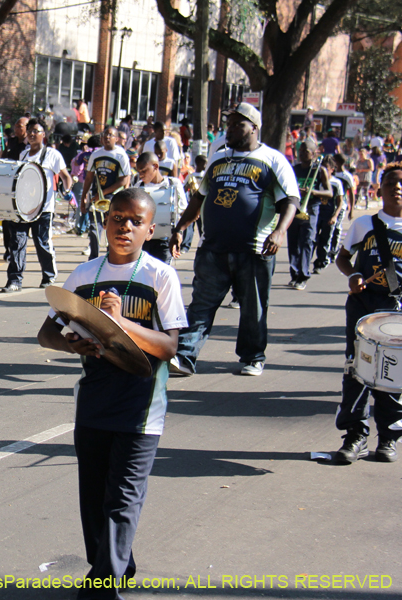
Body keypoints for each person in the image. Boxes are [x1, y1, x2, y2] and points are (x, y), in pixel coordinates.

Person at [37, 188, 186, 599]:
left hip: (142, 407)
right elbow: (46, 332)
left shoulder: (160, 276)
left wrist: (122, 324)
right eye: (117, 218)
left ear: (149, 229)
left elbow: (171, 346)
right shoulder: (85, 275)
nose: (125, 227)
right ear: (105, 223)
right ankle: (114, 564)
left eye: (135, 221)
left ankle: (103, 586)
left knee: (122, 500)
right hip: (94, 401)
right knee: (94, 501)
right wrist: (71, 343)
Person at [167, 102, 300, 378]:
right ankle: (185, 356)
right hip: (213, 248)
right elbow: (199, 198)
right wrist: (180, 227)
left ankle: (253, 357)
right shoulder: (218, 159)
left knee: (253, 307)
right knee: (201, 305)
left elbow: (290, 200)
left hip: (254, 249)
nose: (229, 129)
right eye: (228, 124)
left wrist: (279, 232)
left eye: (237, 124)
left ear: (254, 127)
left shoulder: (273, 159)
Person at [333, 163, 402, 464]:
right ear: (379, 188)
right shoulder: (364, 224)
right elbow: (343, 258)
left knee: (392, 374)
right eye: (391, 182)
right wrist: (352, 277)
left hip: (397, 311)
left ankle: (388, 438)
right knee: (357, 370)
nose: (397, 187)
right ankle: (355, 435)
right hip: (364, 308)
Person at [2, 118, 72, 292]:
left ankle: (48, 275)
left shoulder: (52, 155)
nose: (32, 134)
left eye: (36, 131)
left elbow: (65, 176)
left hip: (43, 208)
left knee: (42, 242)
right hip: (23, 207)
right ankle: (14, 280)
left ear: (44, 135)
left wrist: (67, 188)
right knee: (17, 242)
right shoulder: (23, 154)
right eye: (30, 131)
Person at [286, 140, 331, 289]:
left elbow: (329, 192)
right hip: (295, 207)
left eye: (306, 152)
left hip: (311, 208)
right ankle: (294, 274)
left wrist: (313, 192)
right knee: (293, 242)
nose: (302, 154)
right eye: (301, 151)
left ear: (314, 153)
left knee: (306, 241)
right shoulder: (294, 169)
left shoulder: (320, 170)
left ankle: (303, 276)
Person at [81, 127, 131, 260]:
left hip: (114, 197)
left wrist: (103, 193)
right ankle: (94, 258)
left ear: (116, 138)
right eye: (105, 135)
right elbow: (89, 177)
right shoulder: (95, 155)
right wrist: (83, 197)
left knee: (112, 229)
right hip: (97, 197)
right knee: (94, 228)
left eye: (110, 135)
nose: (107, 137)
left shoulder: (121, 155)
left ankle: (111, 257)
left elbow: (124, 180)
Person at [134, 152, 187, 264]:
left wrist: (179, 233)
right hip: (144, 241)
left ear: (155, 167)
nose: (141, 175)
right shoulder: (138, 187)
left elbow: (183, 212)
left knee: (161, 275)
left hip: (165, 241)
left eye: (144, 171)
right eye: (139, 172)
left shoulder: (174, 184)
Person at [1, 117, 29, 261]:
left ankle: (17, 249)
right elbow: (3, 157)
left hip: (23, 186)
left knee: (19, 220)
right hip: (8, 183)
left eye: (20, 126)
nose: (17, 128)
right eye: (16, 125)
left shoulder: (30, 145)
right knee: (6, 219)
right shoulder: (11, 142)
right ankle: (8, 249)